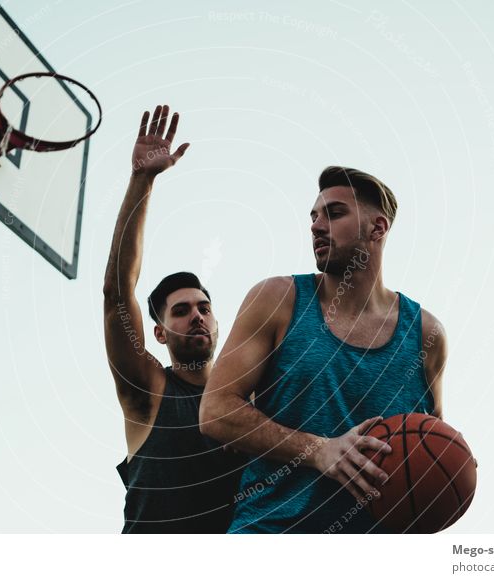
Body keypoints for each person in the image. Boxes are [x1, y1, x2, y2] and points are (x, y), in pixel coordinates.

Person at [199, 166, 447, 533]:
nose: (316, 226)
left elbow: (430, 441)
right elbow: (215, 411)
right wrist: (319, 450)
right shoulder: (278, 299)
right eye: (314, 216)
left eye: (334, 214)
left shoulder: (426, 333)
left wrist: (452, 470)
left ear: (378, 228)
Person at [103, 105, 242, 533]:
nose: (197, 316)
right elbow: (117, 292)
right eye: (180, 311)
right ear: (159, 333)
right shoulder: (150, 391)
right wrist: (142, 180)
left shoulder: (249, 401)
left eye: (204, 308)